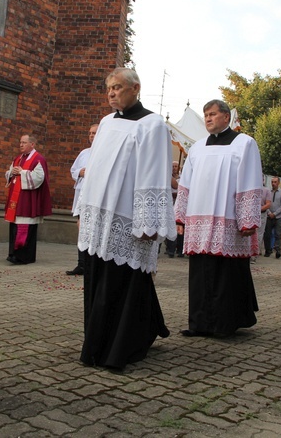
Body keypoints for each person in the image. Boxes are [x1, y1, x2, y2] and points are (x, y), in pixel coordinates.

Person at [75, 67, 175, 370]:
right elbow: (96, 168)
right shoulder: (105, 122)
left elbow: (155, 173)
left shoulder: (152, 124)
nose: (111, 93)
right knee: (98, 279)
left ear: (136, 88)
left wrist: (148, 223)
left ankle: (119, 346)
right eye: (108, 89)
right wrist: (84, 208)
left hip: (129, 219)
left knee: (122, 282)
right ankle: (97, 341)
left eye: (118, 87)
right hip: (99, 216)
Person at [175, 99, 262, 338]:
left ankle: (225, 323)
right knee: (200, 273)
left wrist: (247, 219)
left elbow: (251, 180)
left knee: (226, 273)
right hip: (198, 219)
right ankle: (199, 323)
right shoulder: (197, 147)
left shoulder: (244, 143)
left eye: (213, 114)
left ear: (226, 117)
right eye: (206, 115)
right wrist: (180, 217)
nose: (208, 119)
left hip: (229, 219)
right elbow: (186, 183)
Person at [4, 134, 53, 265]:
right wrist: (11, 173)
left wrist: (22, 172)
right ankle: (13, 254)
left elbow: (39, 178)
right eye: (20, 142)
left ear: (32, 144)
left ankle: (24, 257)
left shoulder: (38, 159)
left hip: (28, 200)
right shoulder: (18, 158)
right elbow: (9, 173)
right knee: (15, 228)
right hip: (16, 200)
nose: (21, 145)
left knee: (24, 228)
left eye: (24, 142)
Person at [66, 124, 98, 276]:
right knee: (81, 229)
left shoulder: (105, 152)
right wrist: (80, 172)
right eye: (90, 133)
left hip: (96, 197)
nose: (91, 135)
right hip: (81, 196)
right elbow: (73, 170)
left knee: (93, 230)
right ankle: (82, 264)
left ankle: (93, 265)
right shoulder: (84, 153)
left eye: (95, 133)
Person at [164, 161, 184, 258]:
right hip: (169, 204)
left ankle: (179, 250)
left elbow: (175, 186)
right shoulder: (166, 176)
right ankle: (169, 249)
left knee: (178, 228)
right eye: (172, 166)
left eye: (176, 166)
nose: (174, 168)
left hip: (178, 205)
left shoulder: (182, 177)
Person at [266, 176, 281, 258]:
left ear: (278, 183)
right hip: (269, 215)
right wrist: (269, 212)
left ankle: (277, 249)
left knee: (278, 234)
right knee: (267, 234)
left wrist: (274, 214)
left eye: (275, 182)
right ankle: (268, 250)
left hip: (278, 217)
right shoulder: (268, 192)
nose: (273, 183)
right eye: (272, 182)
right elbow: (265, 202)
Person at [254, 179, 271, 263]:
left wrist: (258, 209)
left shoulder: (266, 190)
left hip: (261, 214)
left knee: (259, 235)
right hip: (251, 213)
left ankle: (254, 255)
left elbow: (268, 204)